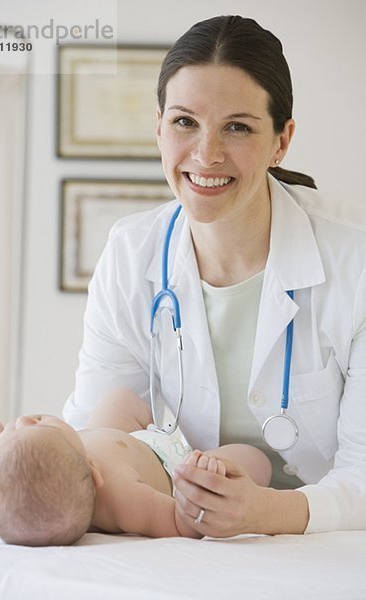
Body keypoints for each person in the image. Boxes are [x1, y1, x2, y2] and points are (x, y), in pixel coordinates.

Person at [63, 15, 366, 537]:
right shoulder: (130, 254)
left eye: (238, 127)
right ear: (158, 125)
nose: (207, 154)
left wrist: (265, 513)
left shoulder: (354, 267)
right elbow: (96, 435)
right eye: (185, 122)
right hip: (183, 544)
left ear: (281, 140)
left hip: (326, 549)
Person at [0, 389, 271, 546]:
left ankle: (153, 424)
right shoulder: (123, 499)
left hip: (122, 438)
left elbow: (9, 486)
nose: (22, 420)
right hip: (170, 464)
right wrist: (202, 480)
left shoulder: (61, 472)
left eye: (12, 432)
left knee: (118, 399)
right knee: (256, 461)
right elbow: (179, 524)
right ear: (93, 469)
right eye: (39, 423)